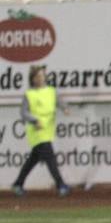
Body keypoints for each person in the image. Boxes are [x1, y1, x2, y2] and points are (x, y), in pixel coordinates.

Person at [11, 64, 70, 197]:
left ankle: (18, 184)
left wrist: (65, 108)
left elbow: (60, 102)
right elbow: (23, 113)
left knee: (33, 159)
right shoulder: (29, 94)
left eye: (43, 75)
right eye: (38, 76)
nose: (41, 78)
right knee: (50, 157)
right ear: (33, 79)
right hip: (36, 131)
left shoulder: (51, 91)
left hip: (47, 129)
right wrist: (34, 120)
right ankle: (61, 185)